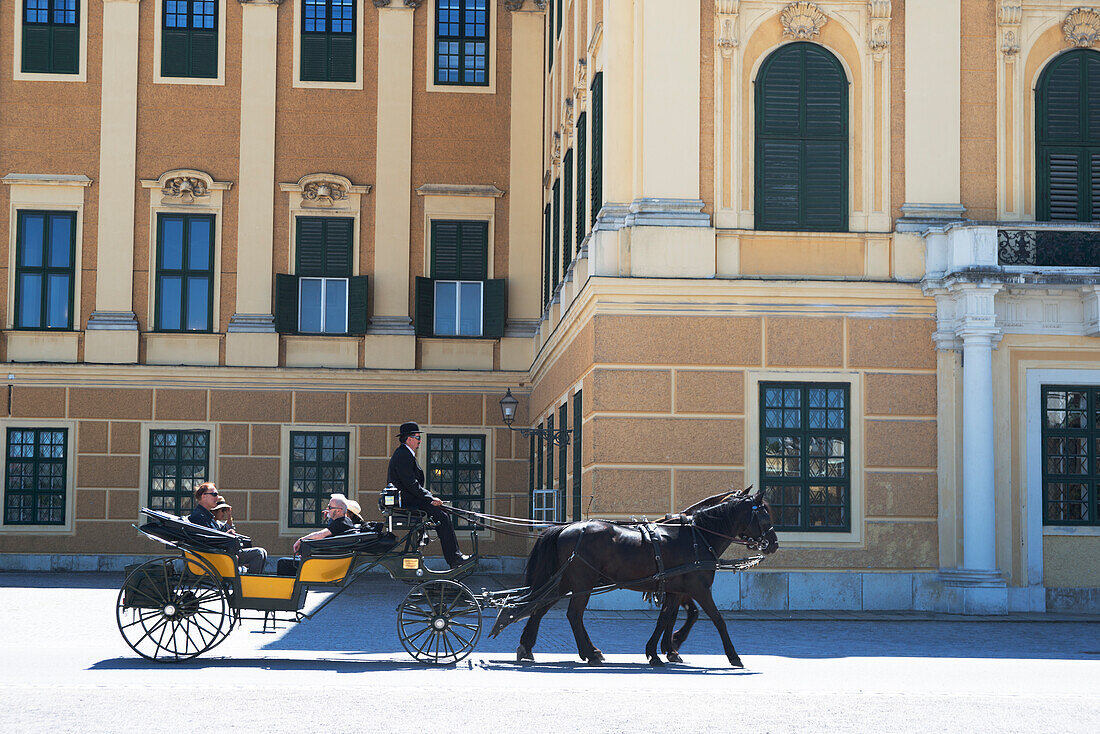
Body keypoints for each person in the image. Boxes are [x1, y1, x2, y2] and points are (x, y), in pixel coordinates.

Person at [386, 421, 470, 568]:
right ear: (409, 438)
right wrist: (430, 498)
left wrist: (430, 498)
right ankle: (455, 559)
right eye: (418, 437)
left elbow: (412, 484)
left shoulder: (405, 454)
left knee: (443, 513)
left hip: (412, 499)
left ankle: (455, 557)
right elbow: (410, 483)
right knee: (442, 517)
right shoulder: (403, 455)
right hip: (409, 501)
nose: (420, 441)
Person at [188, 482, 268, 574]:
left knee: (261, 552)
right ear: (203, 496)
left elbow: (213, 536)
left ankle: (250, 582)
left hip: (220, 554)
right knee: (258, 553)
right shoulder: (199, 516)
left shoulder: (206, 515)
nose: (217, 497)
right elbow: (208, 540)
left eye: (217, 495)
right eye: (214, 494)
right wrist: (227, 536)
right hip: (216, 557)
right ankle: (250, 584)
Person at [292, 493, 359, 553]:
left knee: (283, 562)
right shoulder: (347, 521)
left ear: (338, 510)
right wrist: (330, 514)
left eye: (329, 507)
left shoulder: (340, 523)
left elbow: (320, 535)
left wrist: (300, 540)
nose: (327, 509)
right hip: (334, 556)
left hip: (331, 558)